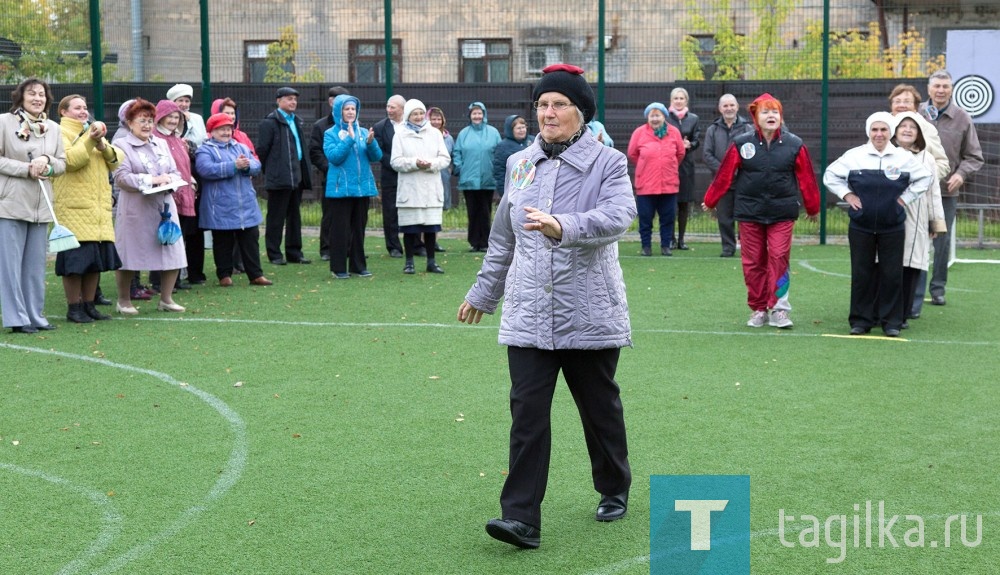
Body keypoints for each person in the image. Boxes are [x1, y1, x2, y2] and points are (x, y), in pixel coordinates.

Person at [458, 64, 635, 550]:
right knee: (528, 414)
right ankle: (520, 518)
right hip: (528, 312)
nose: (548, 112)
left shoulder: (608, 162)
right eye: (541, 104)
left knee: (599, 408)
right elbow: (502, 240)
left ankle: (614, 484)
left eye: (558, 104)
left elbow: (620, 217)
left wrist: (564, 225)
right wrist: (483, 294)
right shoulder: (520, 164)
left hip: (589, 311)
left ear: (581, 113)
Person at [702, 93, 820, 329]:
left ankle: (779, 309)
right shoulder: (741, 142)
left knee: (778, 257)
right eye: (765, 112)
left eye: (775, 112)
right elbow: (725, 174)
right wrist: (711, 200)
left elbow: (807, 178)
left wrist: (813, 206)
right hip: (749, 212)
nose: (771, 116)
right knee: (753, 262)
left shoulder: (794, 144)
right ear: (755, 117)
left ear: (780, 116)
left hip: (782, 212)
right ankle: (758, 308)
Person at [823, 112, 931, 337]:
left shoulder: (903, 157)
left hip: (892, 226)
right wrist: (848, 196)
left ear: (890, 132)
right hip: (860, 226)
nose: (879, 134)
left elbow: (925, 178)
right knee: (861, 273)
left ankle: (891, 322)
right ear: (868, 132)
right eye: (875, 130)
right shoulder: (854, 156)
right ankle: (861, 321)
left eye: (883, 130)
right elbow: (830, 176)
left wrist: (904, 200)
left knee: (892, 274)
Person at [913, 70, 984, 311]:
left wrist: (960, 174)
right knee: (914, 239)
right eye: (937, 86)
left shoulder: (963, 118)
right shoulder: (916, 112)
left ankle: (938, 289)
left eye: (945, 86)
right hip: (913, 192)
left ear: (952, 89)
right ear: (928, 89)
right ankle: (913, 289)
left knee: (941, 243)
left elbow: (975, 156)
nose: (941, 90)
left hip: (945, 193)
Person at [0, 77, 66, 333]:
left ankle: (35, 316)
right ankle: (17, 319)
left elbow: (61, 163)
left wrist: (47, 162)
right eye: (32, 94)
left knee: (35, 266)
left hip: (41, 207)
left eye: (42, 94)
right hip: (11, 204)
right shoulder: (4, 123)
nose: (38, 98)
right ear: (21, 97)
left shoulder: (53, 128)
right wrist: (26, 169)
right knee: (10, 265)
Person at [112, 98, 188, 314]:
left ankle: (166, 298)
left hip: (163, 204)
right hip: (136, 207)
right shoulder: (120, 145)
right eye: (142, 120)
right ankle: (124, 300)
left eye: (150, 121)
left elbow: (173, 171)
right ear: (129, 122)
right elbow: (122, 178)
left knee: (172, 251)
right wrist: (152, 180)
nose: (147, 125)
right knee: (129, 254)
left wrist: (171, 181)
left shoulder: (161, 143)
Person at [53, 94, 123, 324]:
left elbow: (116, 161)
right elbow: (71, 161)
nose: (83, 111)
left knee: (95, 262)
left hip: (98, 209)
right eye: (77, 108)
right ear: (63, 112)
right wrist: (91, 140)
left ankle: (89, 305)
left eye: (84, 107)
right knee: (74, 264)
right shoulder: (58, 133)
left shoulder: (92, 132)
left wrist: (102, 144)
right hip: (74, 208)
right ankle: (74, 308)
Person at [195, 113, 272, 287]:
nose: (226, 132)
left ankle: (256, 275)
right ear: (212, 132)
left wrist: (247, 167)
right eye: (222, 129)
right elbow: (205, 169)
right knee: (223, 241)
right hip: (220, 204)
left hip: (245, 203)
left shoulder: (241, 147)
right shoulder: (204, 149)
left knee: (251, 238)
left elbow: (256, 164)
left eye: (229, 128)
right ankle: (224, 275)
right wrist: (233, 166)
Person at [893, 112, 947, 329]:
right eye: (902, 126)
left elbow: (934, 192)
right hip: (889, 218)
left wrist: (935, 222)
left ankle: (904, 312)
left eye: (912, 127)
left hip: (917, 219)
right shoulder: (885, 154)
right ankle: (883, 310)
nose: (907, 130)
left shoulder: (927, 158)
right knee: (886, 266)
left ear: (919, 133)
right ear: (895, 131)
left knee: (911, 265)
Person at [323, 94, 381, 279]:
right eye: (346, 109)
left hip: (362, 189)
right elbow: (334, 157)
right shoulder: (330, 133)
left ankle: (358, 266)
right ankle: (338, 268)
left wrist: (371, 143)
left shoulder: (364, 132)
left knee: (358, 228)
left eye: (353, 109)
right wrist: (348, 139)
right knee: (340, 230)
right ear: (338, 111)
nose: (350, 112)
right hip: (340, 190)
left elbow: (376, 156)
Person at [391, 99, 451, 275]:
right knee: (410, 229)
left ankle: (431, 262)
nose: (417, 117)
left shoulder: (434, 133)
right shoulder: (400, 134)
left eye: (420, 113)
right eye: (414, 114)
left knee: (431, 228)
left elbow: (445, 158)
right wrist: (415, 163)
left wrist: (430, 164)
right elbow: (395, 161)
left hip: (430, 188)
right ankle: (409, 262)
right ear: (408, 116)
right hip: (410, 189)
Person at [257, 86, 312, 266]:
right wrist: (271, 172)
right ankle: (274, 254)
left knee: (294, 216)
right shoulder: (269, 122)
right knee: (276, 217)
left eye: (295, 99)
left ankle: (294, 253)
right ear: (278, 101)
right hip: (279, 177)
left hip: (296, 176)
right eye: (289, 99)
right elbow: (262, 151)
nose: (293, 102)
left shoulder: (297, 121)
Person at [627, 102, 686, 256]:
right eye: (652, 115)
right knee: (645, 218)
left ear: (664, 116)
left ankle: (665, 246)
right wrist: (646, 166)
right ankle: (646, 247)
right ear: (647, 117)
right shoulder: (639, 133)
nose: (655, 119)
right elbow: (632, 154)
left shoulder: (674, 132)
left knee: (668, 218)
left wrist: (668, 166)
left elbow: (680, 154)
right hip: (646, 185)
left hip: (669, 183)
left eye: (658, 115)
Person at [151, 99, 198, 293]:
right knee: (163, 238)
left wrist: (192, 181)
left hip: (185, 191)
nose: (172, 120)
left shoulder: (178, 139)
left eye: (176, 117)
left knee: (180, 237)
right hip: (167, 194)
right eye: (169, 116)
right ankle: (157, 281)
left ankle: (175, 279)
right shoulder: (155, 138)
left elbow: (184, 165)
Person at [703, 94, 754, 257]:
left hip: (743, 180)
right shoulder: (713, 129)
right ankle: (728, 247)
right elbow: (707, 154)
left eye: (732, 105)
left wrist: (737, 170)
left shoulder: (748, 128)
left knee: (745, 216)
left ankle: (747, 247)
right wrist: (725, 171)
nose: (729, 108)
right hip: (721, 182)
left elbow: (752, 153)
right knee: (724, 217)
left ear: (737, 107)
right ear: (720, 109)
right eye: (725, 106)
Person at [453, 101, 501, 252]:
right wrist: (459, 168)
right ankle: (474, 242)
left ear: (484, 114)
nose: (477, 116)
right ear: (470, 115)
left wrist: (495, 170)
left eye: (479, 113)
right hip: (469, 179)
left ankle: (486, 242)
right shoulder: (463, 133)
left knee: (486, 212)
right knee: (472, 212)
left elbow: (498, 153)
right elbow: (456, 152)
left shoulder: (493, 133)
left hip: (487, 178)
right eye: (474, 113)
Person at [310, 86, 350, 261]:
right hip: (331, 177)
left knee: (351, 214)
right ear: (331, 102)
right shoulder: (320, 126)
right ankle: (326, 249)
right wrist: (329, 168)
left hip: (351, 178)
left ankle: (350, 247)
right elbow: (315, 152)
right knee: (330, 214)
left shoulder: (354, 125)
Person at [665, 87, 700, 250]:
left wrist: (690, 144)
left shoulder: (693, 118)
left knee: (684, 204)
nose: (678, 101)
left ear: (686, 101)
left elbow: (697, 140)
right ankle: (669, 238)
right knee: (669, 203)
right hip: (669, 165)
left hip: (686, 165)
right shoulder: (665, 118)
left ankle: (681, 240)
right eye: (675, 98)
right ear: (671, 101)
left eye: (681, 98)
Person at [372, 95, 407, 257]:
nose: (389, 110)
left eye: (393, 107)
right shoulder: (379, 127)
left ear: (402, 109)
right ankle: (393, 246)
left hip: (411, 176)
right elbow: (379, 152)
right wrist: (395, 163)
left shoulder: (412, 125)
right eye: (388, 106)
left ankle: (416, 244)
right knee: (390, 212)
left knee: (411, 211)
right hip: (390, 176)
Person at [492, 114, 534, 199]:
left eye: (523, 127)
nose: (522, 130)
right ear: (511, 130)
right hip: (514, 189)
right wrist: (504, 193)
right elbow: (499, 171)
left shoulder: (533, 141)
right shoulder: (503, 146)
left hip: (532, 188)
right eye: (518, 128)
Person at [428, 106, 454, 218]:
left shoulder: (449, 139)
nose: (436, 122)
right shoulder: (423, 136)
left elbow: (453, 155)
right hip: (427, 176)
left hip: (443, 176)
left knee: (442, 205)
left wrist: (450, 169)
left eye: (439, 119)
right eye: (433, 119)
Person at [166, 83, 207, 148]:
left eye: (187, 101)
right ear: (173, 102)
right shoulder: (167, 119)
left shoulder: (198, 118)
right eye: (180, 100)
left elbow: (205, 141)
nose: (184, 104)